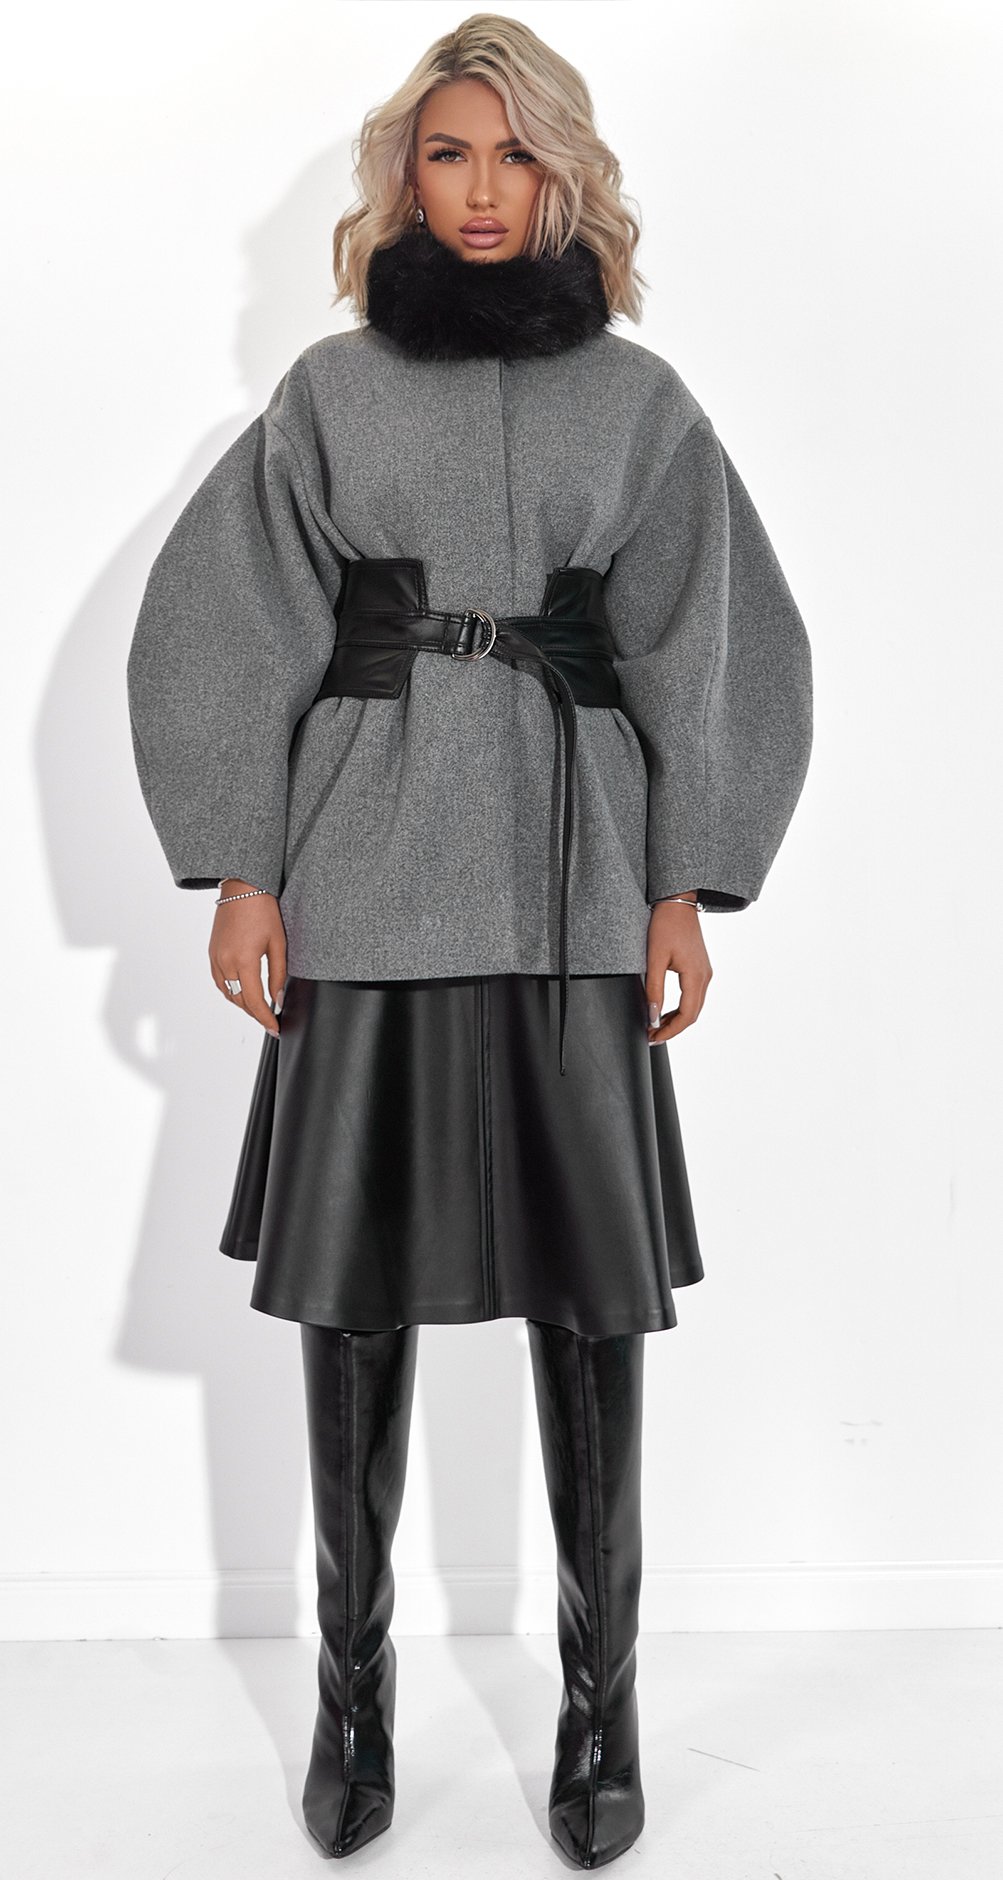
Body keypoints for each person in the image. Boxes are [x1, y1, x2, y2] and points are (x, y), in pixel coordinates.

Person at [126, 12, 812, 1869]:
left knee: (595, 1311)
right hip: (364, 871)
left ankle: (603, 1718)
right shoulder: (330, 394)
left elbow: (714, 640)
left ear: (563, 174)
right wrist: (243, 864)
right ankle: (352, 1710)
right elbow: (226, 621)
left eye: (514, 153)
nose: (484, 187)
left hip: (577, 881)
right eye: (449, 153)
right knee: (352, 1306)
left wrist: (685, 880)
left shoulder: (640, 404)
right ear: (403, 177)